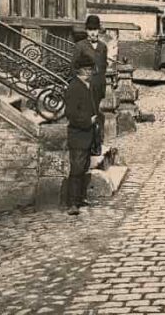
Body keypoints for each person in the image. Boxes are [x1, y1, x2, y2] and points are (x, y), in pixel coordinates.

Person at [64, 54, 98, 216]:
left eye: (90, 69)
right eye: (86, 69)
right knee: (76, 169)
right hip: (78, 135)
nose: (89, 72)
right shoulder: (74, 87)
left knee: (83, 167)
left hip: (87, 135)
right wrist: (88, 121)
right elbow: (70, 113)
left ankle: (80, 198)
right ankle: (72, 203)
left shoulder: (86, 86)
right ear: (79, 70)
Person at [72, 15, 108, 126]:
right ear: (86, 30)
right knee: (87, 112)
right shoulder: (80, 46)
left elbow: (104, 65)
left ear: (99, 30)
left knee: (98, 112)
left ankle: (98, 139)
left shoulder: (103, 46)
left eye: (95, 30)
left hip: (99, 84)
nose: (92, 33)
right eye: (90, 30)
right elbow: (73, 66)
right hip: (85, 84)